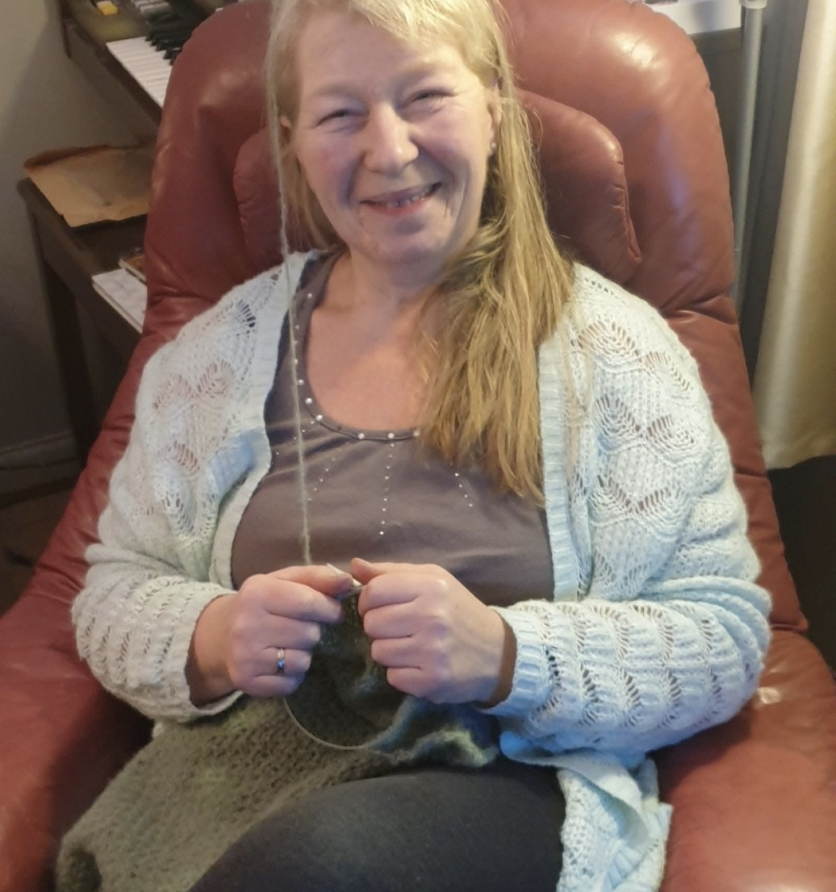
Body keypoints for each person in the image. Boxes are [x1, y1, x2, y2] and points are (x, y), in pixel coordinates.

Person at [65, 1, 772, 890]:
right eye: (340, 114)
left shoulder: (618, 356)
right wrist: (212, 636)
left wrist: (505, 655)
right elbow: (111, 592)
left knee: (319, 865)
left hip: (493, 780)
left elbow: (723, 638)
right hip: (250, 777)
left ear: (493, 107)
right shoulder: (214, 359)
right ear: (292, 144)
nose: (390, 149)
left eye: (425, 97)